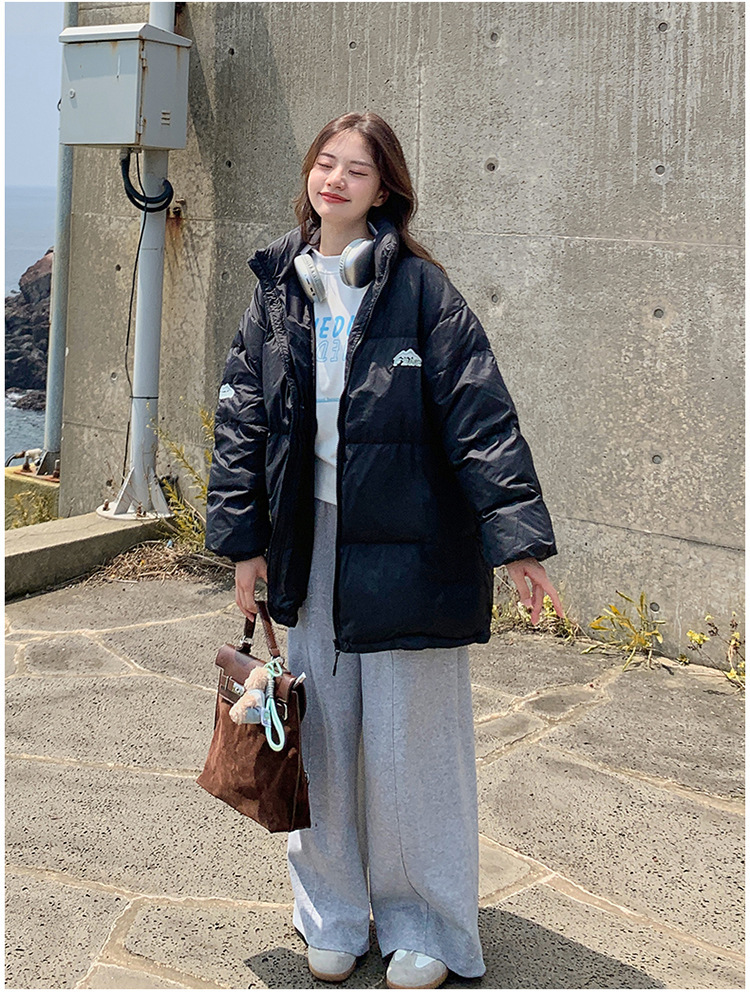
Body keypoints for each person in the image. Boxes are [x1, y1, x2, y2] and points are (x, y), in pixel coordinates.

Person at [205, 111, 563, 990]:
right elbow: (241, 425)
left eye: (356, 170)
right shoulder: (277, 287)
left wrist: (516, 541)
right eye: (325, 163)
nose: (335, 180)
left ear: (384, 190)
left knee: (413, 750)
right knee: (318, 738)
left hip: (415, 547)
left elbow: (482, 418)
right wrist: (245, 547)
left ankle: (427, 926)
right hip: (311, 541)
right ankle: (330, 913)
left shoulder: (422, 292)